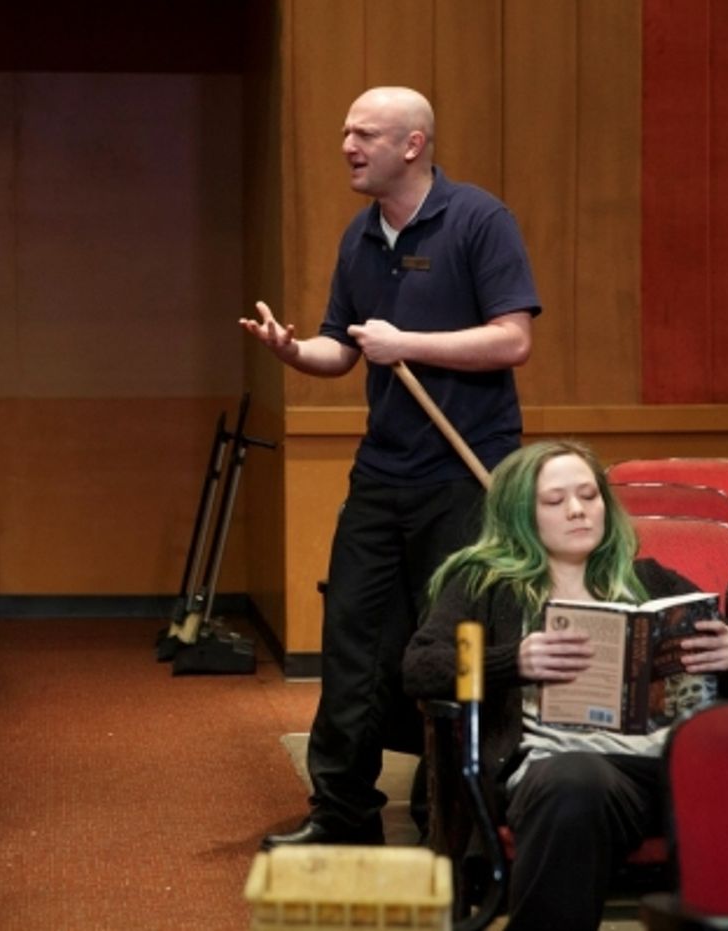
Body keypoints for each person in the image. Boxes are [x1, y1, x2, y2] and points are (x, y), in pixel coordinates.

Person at [241, 86, 540, 849]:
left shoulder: (479, 219)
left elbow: (512, 338)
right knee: (353, 641)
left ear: (412, 144)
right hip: (382, 474)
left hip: (468, 476)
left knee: (462, 646)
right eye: (346, 131)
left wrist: (406, 343)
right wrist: (292, 351)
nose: (347, 145)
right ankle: (343, 811)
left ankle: (459, 808)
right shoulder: (360, 236)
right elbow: (341, 348)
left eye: (364, 134)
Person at [402, 440, 728, 931]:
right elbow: (420, 667)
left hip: (669, 769)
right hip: (562, 771)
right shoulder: (486, 585)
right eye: (554, 500)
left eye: (588, 495)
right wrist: (512, 660)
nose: (578, 510)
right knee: (574, 780)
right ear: (521, 514)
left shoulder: (648, 579)